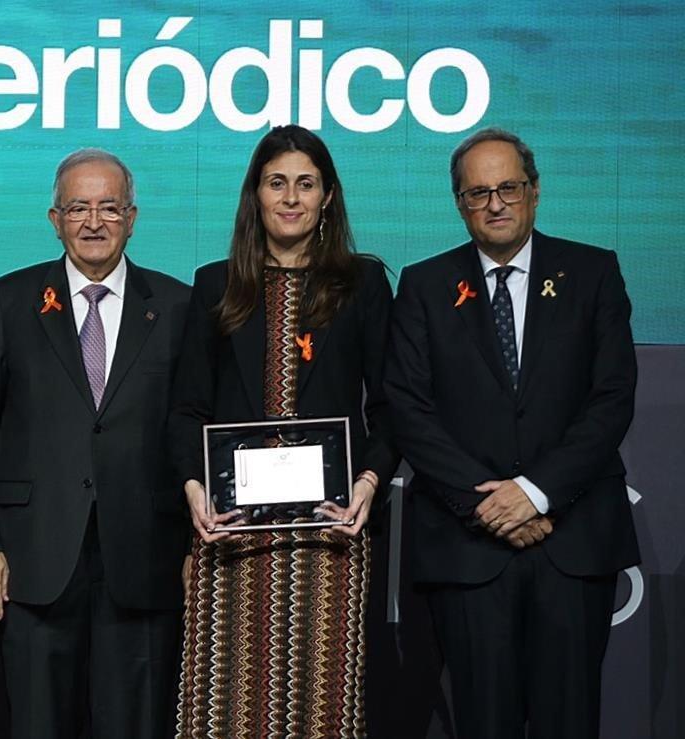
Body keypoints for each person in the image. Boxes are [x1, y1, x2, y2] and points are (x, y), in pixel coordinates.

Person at [384, 127, 639, 739]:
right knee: (481, 721)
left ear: (535, 191)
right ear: (459, 203)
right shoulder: (423, 285)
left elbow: (611, 399)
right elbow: (409, 410)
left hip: (572, 542)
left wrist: (537, 492)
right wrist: (489, 503)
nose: (495, 203)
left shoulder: (593, 272)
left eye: (508, 188)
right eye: (477, 193)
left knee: (569, 721)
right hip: (469, 548)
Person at [0, 149, 192, 739]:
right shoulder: (8, 301)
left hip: (143, 559)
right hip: (33, 561)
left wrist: (193, 548)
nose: (93, 221)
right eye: (78, 207)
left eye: (109, 207)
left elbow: (192, 434)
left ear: (132, 217)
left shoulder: (181, 306)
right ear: (54, 219)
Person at [166, 124, 398, 739]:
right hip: (232, 535)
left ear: (327, 197)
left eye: (305, 183)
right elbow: (186, 409)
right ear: (256, 195)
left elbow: (393, 405)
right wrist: (195, 492)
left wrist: (369, 484)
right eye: (277, 183)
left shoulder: (364, 282)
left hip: (333, 532)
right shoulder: (215, 285)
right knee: (229, 709)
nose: (291, 197)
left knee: (322, 709)